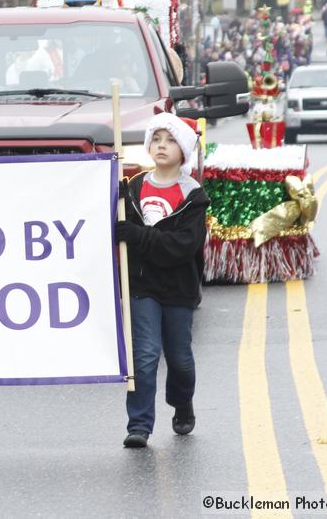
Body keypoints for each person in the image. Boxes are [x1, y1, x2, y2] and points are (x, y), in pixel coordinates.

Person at [115, 113, 210, 449]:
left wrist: (138, 236)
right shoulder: (134, 188)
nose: (162, 146)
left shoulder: (193, 196)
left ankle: (182, 402)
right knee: (145, 355)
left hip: (179, 289)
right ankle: (139, 424)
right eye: (156, 139)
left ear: (182, 149)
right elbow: (118, 230)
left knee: (180, 359)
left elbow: (181, 247)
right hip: (143, 287)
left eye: (169, 140)